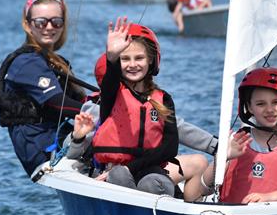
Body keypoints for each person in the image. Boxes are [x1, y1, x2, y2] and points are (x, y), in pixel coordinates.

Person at [68, 54, 214, 195]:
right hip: (111, 174)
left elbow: (179, 129)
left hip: (147, 169)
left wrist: (215, 145)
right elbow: (72, 153)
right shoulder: (95, 108)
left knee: (199, 162)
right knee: (119, 175)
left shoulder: (154, 102)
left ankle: (182, 206)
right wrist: (77, 137)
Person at [186, 67, 277, 204]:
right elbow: (193, 195)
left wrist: (267, 198)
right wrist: (221, 158)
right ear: (249, 107)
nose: (269, 109)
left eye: (276, 102)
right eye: (260, 104)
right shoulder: (236, 141)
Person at [0, 0, 87, 177]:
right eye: (41, 22)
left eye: (56, 22)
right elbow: (56, 102)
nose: (49, 27)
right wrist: (99, 113)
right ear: (27, 25)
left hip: (63, 137)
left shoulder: (56, 61)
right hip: (42, 148)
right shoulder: (26, 62)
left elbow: (82, 100)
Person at [92, 18, 178, 195]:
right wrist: (113, 57)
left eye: (139, 58)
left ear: (151, 60)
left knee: (153, 184)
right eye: (125, 59)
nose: (132, 65)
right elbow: (111, 79)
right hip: (115, 171)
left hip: (150, 169)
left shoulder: (164, 99)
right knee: (118, 174)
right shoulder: (112, 93)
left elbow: (170, 147)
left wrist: (131, 168)